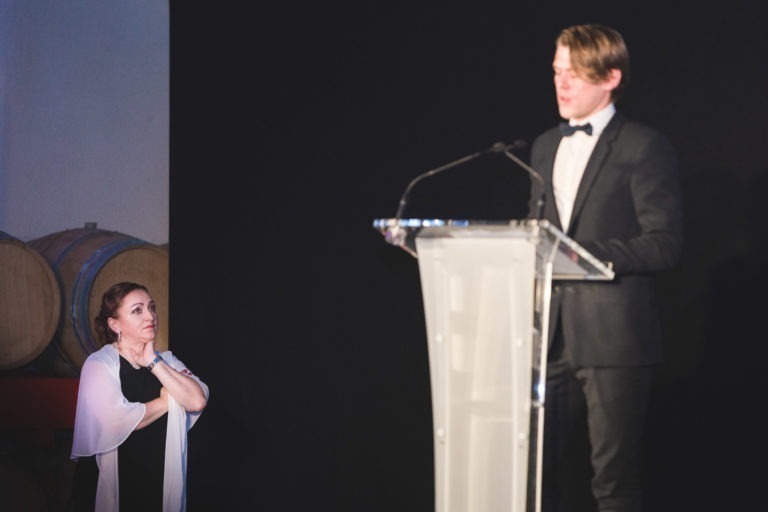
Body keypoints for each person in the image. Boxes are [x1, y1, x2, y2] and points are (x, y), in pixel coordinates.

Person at [528, 24, 683, 512]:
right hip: (549, 340)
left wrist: (583, 254)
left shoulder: (643, 146)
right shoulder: (543, 147)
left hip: (615, 340)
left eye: (574, 74)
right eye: (557, 72)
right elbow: (537, 239)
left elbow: (664, 245)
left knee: (613, 484)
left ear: (610, 77)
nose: (562, 84)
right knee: (530, 474)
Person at [70, 282, 209, 511]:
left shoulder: (166, 361)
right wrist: (165, 402)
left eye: (151, 307)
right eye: (138, 310)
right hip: (112, 482)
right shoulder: (99, 364)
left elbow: (197, 400)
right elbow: (114, 422)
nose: (150, 316)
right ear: (115, 324)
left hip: (155, 482)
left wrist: (153, 362)